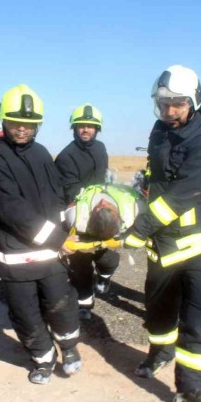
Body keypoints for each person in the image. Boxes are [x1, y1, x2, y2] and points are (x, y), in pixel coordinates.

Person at [122, 65, 201, 402]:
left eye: (177, 104)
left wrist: (140, 229)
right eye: (163, 104)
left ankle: (191, 389)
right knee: (158, 310)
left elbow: (181, 196)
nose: (169, 112)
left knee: (199, 318)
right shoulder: (160, 131)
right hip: (164, 244)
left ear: (194, 101)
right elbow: (157, 178)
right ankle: (160, 352)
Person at [0, 84, 82, 385]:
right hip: (16, 256)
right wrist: (59, 239)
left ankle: (70, 349)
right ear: (3, 122)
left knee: (61, 304)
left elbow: (55, 197)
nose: (22, 129)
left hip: (50, 255)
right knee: (26, 314)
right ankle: (43, 358)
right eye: (15, 123)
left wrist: (73, 217)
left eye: (29, 124)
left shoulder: (40, 154)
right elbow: (14, 213)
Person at [55, 104, 118, 319]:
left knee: (108, 256)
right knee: (80, 263)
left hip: (100, 209)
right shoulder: (66, 157)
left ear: (97, 129)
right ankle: (84, 304)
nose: (86, 130)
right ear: (74, 127)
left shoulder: (100, 149)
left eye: (91, 126)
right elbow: (71, 192)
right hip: (78, 211)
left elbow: (103, 180)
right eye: (81, 125)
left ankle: (104, 276)